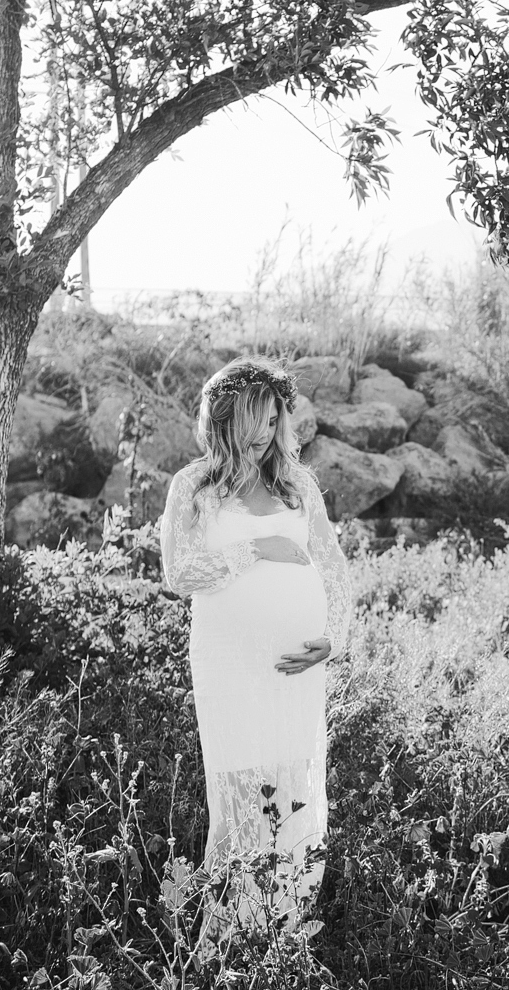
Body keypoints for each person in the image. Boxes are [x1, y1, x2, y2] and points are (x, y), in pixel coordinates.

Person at [158, 355, 349, 915]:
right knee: (240, 791)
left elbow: (334, 567)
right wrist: (256, 549)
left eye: (273, 420)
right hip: (229, 664)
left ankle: (284, 927)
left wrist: (332, 638)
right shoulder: (194, 485)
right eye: (254, 420)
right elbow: (180, 573)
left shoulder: (297, 484)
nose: (266, 433)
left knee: (293, 785)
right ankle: (231, 935)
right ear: (224, 420)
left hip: (296, 665)